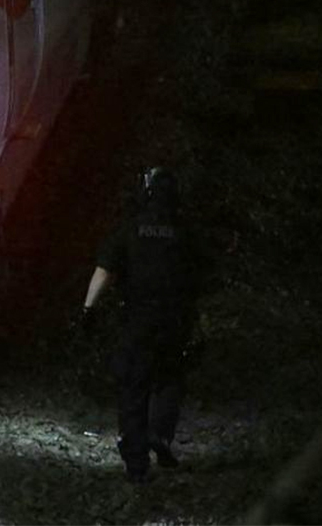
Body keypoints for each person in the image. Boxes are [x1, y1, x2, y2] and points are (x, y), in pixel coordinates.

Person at [82, 167, 199, 484]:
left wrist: (89, 309)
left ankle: (136, 463)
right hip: (175, 320)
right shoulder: (187, 232)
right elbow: (201, 278)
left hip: (138, 320)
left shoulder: (129, 230)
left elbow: (104, 271)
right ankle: (159, 434)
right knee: (170, 378)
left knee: (134, 387)